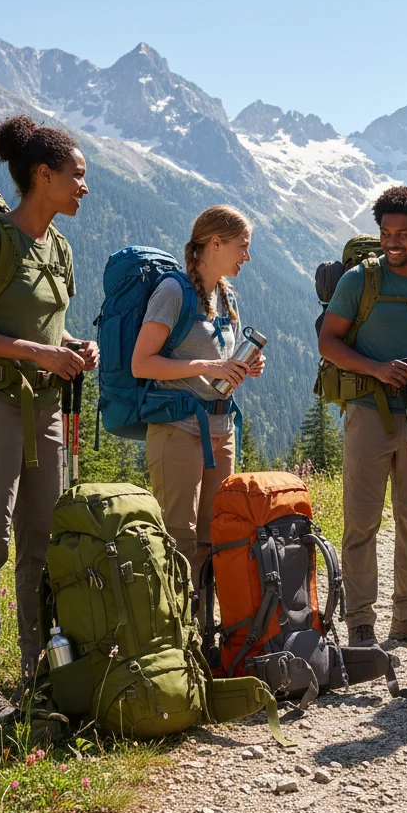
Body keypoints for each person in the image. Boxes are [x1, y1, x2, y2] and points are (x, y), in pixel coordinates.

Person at [0, 115, 99, 724]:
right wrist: (38, 354)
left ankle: (41, 671)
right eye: (76, 176)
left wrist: (76, 348)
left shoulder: (59, 246)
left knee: (42, 545)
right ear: (43, 174)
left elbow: (43, 327)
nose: (84, 187)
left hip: (46, 411)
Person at [318, 185, 407, 648]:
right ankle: (360, 620)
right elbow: (329, 343)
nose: (393, 242)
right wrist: (378, 368)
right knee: (361, 522)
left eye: (403, 234)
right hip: (366, 414)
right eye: (386, 233)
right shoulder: (359, 281)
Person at [131, 205, 261, 609]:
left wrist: (246, 364)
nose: (247, 256)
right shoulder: (173, 292)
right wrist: (209, 365)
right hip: (178, 428)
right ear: (215, 243)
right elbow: (142, 362)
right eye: (242, 246)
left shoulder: (225, 294)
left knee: (214, 535)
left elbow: (221, 359)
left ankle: (205, 633)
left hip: (220, 430)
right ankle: (175, 634)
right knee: (178, 537)